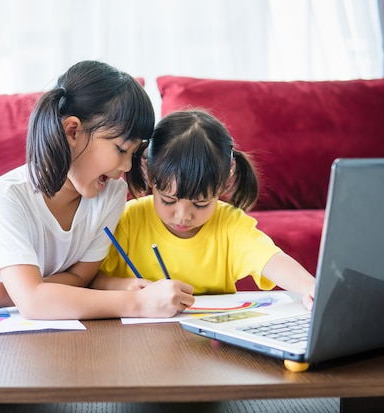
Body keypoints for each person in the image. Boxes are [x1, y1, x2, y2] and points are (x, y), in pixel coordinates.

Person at [0, 60, 195, 320]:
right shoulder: (6, 197)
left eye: (133, 153)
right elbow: (33, 304)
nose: (126, 166)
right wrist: (139, 303)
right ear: (72, 131)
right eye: (120, 149)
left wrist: (4, 294)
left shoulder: (112, 192)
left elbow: (80, 276)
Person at [92, 109, 315, 309]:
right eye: (169, 200)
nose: (182, 216)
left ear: (225, 182)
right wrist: (125, 286)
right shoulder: (129, 219)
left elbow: (272, 260)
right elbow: (89, 278)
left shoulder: (230, 225)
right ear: (150, 176)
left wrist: (309, 287)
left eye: (201, 203)